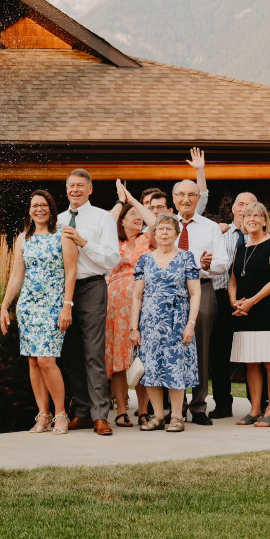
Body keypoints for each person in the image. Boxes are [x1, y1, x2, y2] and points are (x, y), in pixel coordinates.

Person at [1, 190, 79, 434]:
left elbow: (71, 272)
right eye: (34, 205)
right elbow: (17, 275)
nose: (39, 209)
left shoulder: (63, 234)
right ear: (29, 210)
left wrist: (67, 305)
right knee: (33, 361)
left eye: (43, 205)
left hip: (54, 304)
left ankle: (61, 413)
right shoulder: (23, 238)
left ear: (51, 209)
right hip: (28, 306)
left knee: (47, 359)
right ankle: (43, 414)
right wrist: (5, 305)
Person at [57, 169, 123, 434]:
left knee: (93, 352)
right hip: (64, 291)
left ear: (90, 189)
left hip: (92, 286)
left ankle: (100, 415)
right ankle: (82, 411)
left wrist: (83, 243)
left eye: (80, 186)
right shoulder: (59, 219)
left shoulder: (102, 218)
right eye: (71, 186)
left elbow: (112, 259)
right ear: (66, 189)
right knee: (70, 352)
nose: (75, 190)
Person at [130, 213, 200, 431]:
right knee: (151, 368)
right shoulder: (144, 260)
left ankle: (177, 417)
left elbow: (195, 293)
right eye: (160, 229)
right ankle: (158, 416)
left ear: (177, 233)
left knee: (175, 367)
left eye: (169, 229)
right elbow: (137, 296)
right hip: (150, 323)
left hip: (177, 322)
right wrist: (134, 327)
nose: (164, 233)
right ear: (154, 234)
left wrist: (191, 324)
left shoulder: (186, 258)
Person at [170, 177, 228, 424]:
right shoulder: (166, 225)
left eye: (191, 195)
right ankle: (176, 406)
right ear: (174, 198)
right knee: (173, 348)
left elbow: (223, 263)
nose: (186, 199)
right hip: (171, 291)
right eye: (181, 194)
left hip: (202, 288)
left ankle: (198, 406)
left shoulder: (210, 227)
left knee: (201, 349)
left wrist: (208, 264)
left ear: (198, 199)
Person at [229, 202, 270, 426]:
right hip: (244, 312)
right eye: (247, 215)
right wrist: (234, 301)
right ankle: (254, 410)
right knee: (251, 362)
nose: (251, 219)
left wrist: (251, 302)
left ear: (264, 220)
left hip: (266, 310)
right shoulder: (240, 248)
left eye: (256, 215)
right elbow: (233, 280)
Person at [105, 181, 154, 425]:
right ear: (122, 221)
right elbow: (106, 222)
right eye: (131, 215)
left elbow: (155, 222)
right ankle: (122, 410)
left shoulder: (148, 240)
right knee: (119, 360)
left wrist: (133, 200)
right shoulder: (113, 242)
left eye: (139, 214)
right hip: (116, 305)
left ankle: (143, 410)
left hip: (144, 303)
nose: (138, 217)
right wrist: (121, 202)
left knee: (141, 356)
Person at [209, 190, 257, 419]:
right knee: (219, 353)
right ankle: (222, 403)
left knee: (254, 354)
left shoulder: (262, 236)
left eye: (250, 204)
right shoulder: (218, 232)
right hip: (221, 297)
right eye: (240, 204)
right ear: (234, 208)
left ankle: (257, 403)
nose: (244, 208)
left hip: (252, 300)